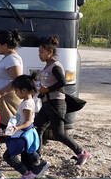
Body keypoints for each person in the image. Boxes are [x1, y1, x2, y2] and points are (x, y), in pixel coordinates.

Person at [35, 34, 90, 165]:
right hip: (48, 103)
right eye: (39, 52)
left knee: (59, 134)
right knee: (37, 128)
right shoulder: (48, 66)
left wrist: (47, 90)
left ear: (50, 52)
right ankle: (36, 158)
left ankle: (82, 153)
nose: (39, 55)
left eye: (42, 52)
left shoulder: (55, 66)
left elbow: (62, 82)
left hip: (56, 104)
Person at [2, 74, 50, 179]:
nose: (16, 94)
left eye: (16, 91)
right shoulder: (27, 101)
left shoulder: (27, 104)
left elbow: (28, 121)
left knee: (8, 156)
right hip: (23, 134)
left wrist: (16, 128)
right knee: (27, 161)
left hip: (24, 136)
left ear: (24, 90)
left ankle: (29, 173)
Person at [0, 29, 23, 129]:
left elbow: (17, 80)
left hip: (8, 101)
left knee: (10, 130)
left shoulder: (12, 59)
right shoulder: (8, 58)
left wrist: (0, 93)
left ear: (5, 45)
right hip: (3, 100)